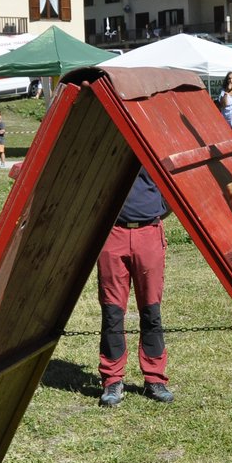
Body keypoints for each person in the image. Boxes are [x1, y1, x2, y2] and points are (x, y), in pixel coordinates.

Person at [98, 166, 174, 407]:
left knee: (151, 310)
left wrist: (154, 214)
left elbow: (170, 189)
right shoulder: (108, 148)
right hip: (112, 234)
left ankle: (155, 379)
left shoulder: (151, 144)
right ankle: (112, 380)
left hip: (149, 233)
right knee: (112, 311)